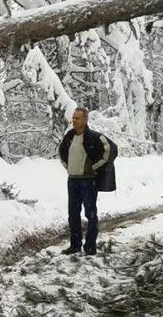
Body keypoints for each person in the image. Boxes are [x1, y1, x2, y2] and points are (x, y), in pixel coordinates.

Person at [58, 107, 111, 256]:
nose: (74, 120)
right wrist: (67, 166)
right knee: (73, 214)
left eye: (77, 118)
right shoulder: (69, 136)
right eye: (73, 118)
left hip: (88, 182)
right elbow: (61, 151)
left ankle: (90, 247)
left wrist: (94, 167)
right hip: (72, 181)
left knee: (90, 214)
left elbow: (107, 151)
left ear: (85, 120)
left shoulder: (94, 137)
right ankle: (75, 246)